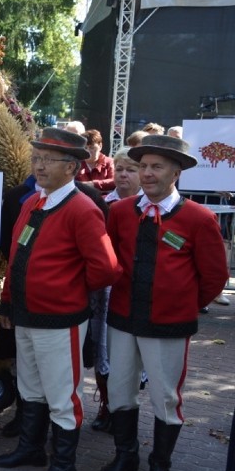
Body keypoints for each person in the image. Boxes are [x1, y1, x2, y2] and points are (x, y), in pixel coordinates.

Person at [98, 135, 228, 471]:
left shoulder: (199, 218)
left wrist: (181, 303)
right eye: (143, 166)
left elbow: (214, 277)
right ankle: (126, 456)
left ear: (176, 172)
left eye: (156, 167)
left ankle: (160, 465)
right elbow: (112, 261)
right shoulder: (121, 212)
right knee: (120, 390)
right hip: (123, 319)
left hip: (168, 325)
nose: (147, 173)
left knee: (165, 398)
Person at [0, 127, 121, 471]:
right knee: (30, 387)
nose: (39, 165)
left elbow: (107, 268)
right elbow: (16, 258)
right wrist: (7, 301)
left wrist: (67, 289)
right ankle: (31, 449)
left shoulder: (82, 207)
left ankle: (64, 467)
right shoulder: (35, 202)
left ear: (72, 167)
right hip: (26, 315)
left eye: (47, 160)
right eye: (36, 158)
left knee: (64, 396)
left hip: (60, 320)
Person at [91, 147, 144, 433]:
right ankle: (106, 404)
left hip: (134, 290)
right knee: (102, 348)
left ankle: (124, 408)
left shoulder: (149, 206)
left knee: (130, 356)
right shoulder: (102, 203)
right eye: (120, 169)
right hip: (104, 291)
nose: (123, 175)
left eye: (131, 170)